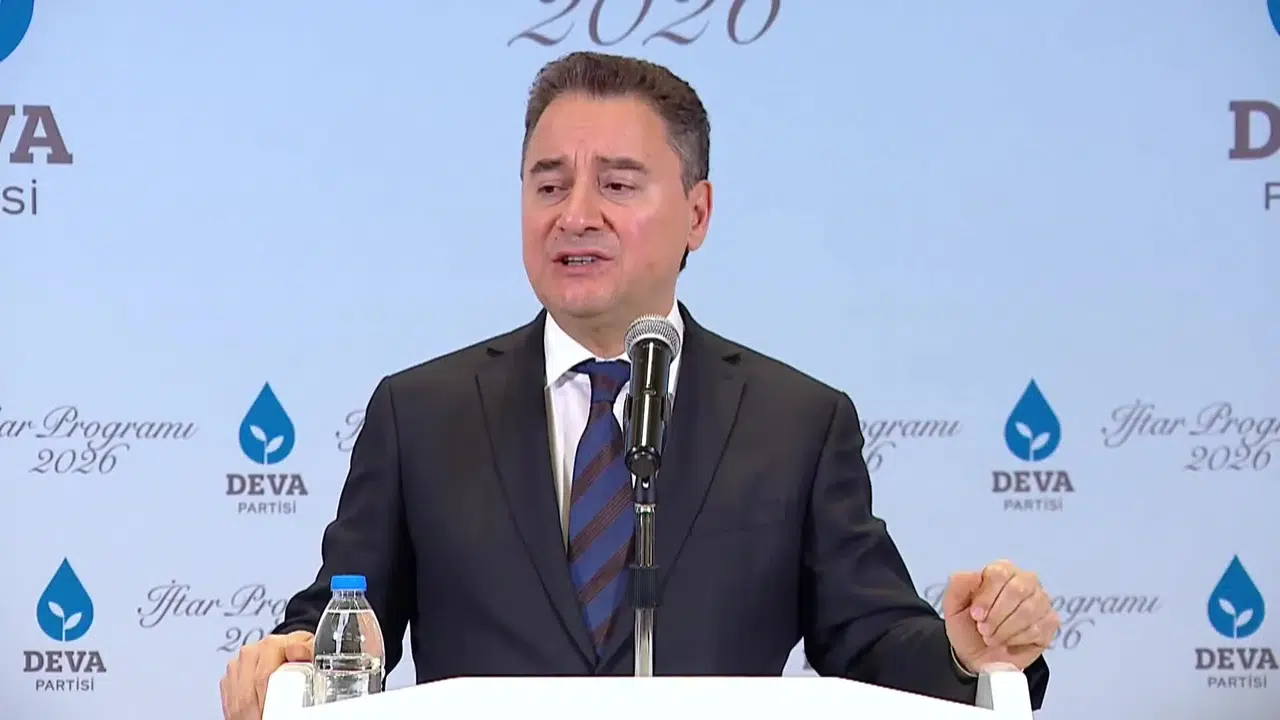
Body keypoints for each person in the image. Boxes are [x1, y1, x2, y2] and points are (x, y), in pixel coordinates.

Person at [219, 51, 1059, 719]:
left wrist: (966, 651)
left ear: (697, 213)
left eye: (617, 185)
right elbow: (342, 619)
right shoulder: (421, 414)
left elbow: (870, 642)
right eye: (549, 184)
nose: (575, 214)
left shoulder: (794, 423)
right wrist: (290, 659)